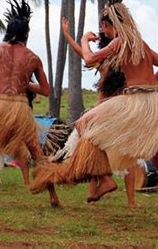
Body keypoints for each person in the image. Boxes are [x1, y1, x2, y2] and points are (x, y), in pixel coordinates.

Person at [31, 0, 158, 222]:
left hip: (135, 104)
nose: (104, 32)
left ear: (113, 24)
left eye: (105, 27)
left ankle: (105, 178)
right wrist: (149, 84)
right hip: (156, 105)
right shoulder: (142, 43)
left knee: (84, 124)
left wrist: (86, 41)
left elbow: (89, 60)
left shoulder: (120, 41)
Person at [0, 0, 60, 207]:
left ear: (8, 31)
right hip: (19, 108)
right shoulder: (33, 57)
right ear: (26, 34)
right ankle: (53, 196)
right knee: (37, 154)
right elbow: (46, 90)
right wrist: (26, 84)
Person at [44, 17, 138, 208]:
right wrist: (68, 35)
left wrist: (75, 37)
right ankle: (129, 201)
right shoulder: (125, 60)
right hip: (123, 112)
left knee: (91, 150)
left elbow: (84, 54)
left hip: (102, 112)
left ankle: (99, 188)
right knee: (129, 157)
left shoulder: (103, 61)